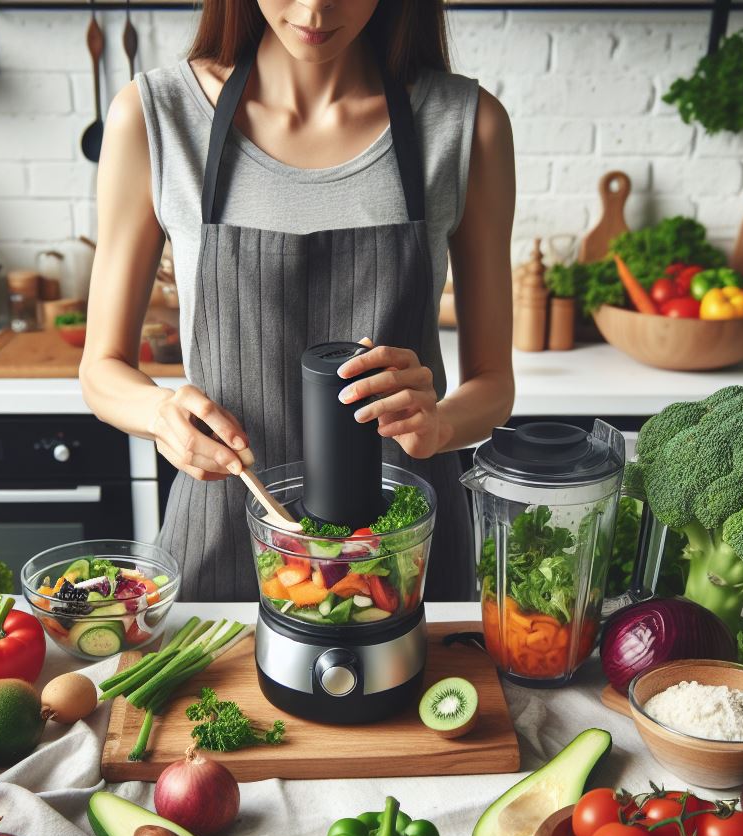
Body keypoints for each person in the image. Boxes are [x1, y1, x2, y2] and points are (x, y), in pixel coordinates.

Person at [80, 0, 515, 601]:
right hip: (223, 543)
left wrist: (439, 425)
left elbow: (495, 384)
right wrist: (159, 415)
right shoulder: (155, 116)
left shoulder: (465, 125)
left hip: (400, 560)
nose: (314, 8)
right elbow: (100, 371)